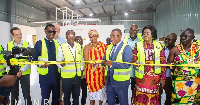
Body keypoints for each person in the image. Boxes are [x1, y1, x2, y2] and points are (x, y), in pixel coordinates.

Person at [132, 25, 166, 105]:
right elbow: (134, 58)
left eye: (148, 33)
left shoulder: (159, 45)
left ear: (153, 35)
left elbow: (163, 63)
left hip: (154, 79)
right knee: (140, 96)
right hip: (141, 77)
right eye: (144, 33)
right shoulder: (138, 45)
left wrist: (163, 78)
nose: (145, 35)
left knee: (153, 96)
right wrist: (135, 62)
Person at [168, 28, 200, 104]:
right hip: (179, 84)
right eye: (182, 36)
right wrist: (174, 66)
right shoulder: (175, 50)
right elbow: (168, 63)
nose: (183, 38)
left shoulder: (197, 49)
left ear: (192, 38)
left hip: (194, 84)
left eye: (186, 36)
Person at [102, 28, 132, 105]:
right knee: (110, 102)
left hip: (121, 82)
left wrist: (112, 64)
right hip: (109, 81)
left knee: (123, 102)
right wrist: (100, 62)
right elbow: (104, 60)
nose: (112, 39)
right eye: (111, 36)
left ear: (120, 36)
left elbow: (127, 65)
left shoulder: (126, 48)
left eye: (114, 36)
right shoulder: (109, 47)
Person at [32, 24, 60, 105]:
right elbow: (34, 59)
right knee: (45, 98)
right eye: (49, 31)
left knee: (56, 98)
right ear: (45, 31)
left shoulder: (56, 43)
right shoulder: (39, 43)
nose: (52, 33)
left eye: (53, 32)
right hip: (45, 77)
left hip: (56, 75)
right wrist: (41, 65)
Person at [5, 27, 32, 105]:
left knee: (26, 95)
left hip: (24, 73)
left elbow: (29, 60)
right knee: (14, 95)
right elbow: (6, 60)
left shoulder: (27, 44)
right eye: (16, 35)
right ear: (12, 36)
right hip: (13, 73)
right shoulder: (8, 45)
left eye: (20, 34)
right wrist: (14, 70)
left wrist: (21, 70)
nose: (19, 36)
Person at [57, 30, 83, 105]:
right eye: (69, 36)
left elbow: (81, 58)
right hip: (67, 77)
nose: (71, 38)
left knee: (76, 96)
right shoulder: (61, 47)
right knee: (67, 97)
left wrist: (81, 68)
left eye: (73, 36)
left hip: (77, 76)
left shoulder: (78, 46)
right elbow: (58, 61)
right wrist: (60, 64)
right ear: (66, 37)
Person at [83, 29, 107, 105]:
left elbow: (106, 57)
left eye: (94, 36)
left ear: (97, 36)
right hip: (91, 73)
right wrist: (93, 62)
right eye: (91, 37)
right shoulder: (87, 47)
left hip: (101, 72)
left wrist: (101, 62)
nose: (92, 38)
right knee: (92, 91)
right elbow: (86, 59)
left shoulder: (103, 45)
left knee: (101, 91)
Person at [123, 24, 144, 101]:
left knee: (134, 88)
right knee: (124, 88)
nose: (132, 32)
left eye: (135, 30)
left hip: (136, 70)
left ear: (138, 31)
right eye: (131, 30)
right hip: (126, 69)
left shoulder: (141, 40)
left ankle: (133, 101)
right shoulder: (124, 39)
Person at [160, 33, 177, 105]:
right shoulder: (161, 49)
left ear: (174, 41)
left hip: (171, 78)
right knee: (158, 94)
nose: (166, 41)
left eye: (169, 40)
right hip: (161, 76)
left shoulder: (177, 50)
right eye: (166, 39)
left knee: (169, 96)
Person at [52, 23, 65, 105]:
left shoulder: (63, 40)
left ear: (59, 30)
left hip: (60, 68)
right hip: (50, 67)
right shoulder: (47, 40)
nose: (55, 30)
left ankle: (59, 99)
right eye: (54, 28)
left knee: (60, 85)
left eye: (57, 28)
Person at [75, 36, 87, 105]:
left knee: (84, 91)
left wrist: (84, 74)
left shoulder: (85, 49)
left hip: (84, 75)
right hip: (75, 75)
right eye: (77, 40)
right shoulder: (73, 49)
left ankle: (83, 103)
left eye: (80, 40)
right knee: (76, 91)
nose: (79, 41)